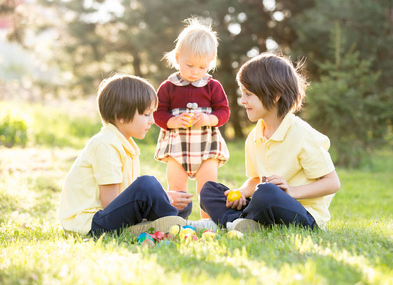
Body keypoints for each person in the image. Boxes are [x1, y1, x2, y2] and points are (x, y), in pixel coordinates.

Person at [199, 53, 341, 233]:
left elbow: (332, 183)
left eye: (248, 94)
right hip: (265, 205)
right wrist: (242, 192)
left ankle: (228, 221)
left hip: (304, 214)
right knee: (209, 190)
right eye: (242, 93)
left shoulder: (302, 135)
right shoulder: (255, 136)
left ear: (274, 96)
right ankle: (238, 223)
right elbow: (256, 179)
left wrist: (291, 191)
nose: (242, 101)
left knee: (267, 192)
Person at [59, 74, 185, 237]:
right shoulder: (106, 144)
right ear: (121, 116)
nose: (152, 120)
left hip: (106, 217)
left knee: (178, 202)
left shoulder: (125, 145)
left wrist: (163, 197)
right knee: (147, 184)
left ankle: (164, 223)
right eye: (146, 114)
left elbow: (127, 196)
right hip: (91, 225)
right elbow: (111, 203)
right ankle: (174, 225)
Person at [154, 18, 230, 229]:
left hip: (206, 144)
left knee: (206, 187)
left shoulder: (212, 86)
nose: (195, 71)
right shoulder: (168, 86)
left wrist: (208, 119)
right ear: (178, 58)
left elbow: (224, 111)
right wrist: (172, 121)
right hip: (177, 144)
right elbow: (157, 113)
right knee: (177, 187)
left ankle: (208, 223)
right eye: (189, 65)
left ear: (211, 61)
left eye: (202, 66)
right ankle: (177, 222)